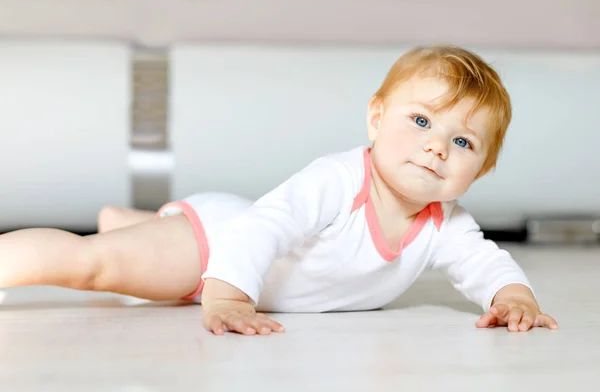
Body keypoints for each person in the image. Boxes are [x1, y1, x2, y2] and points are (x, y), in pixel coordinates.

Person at [0, 44, 558, 336]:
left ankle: (129, 221)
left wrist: (512, 300)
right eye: (420, 122)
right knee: (92, 267)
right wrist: (226, 296)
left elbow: (488, 265)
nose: (437, 147)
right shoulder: (341, 180)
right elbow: (262, 228)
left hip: (243, 247)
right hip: (218, 247)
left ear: (481, 169)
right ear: (375, 118)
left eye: (462, 142)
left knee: (136, 254)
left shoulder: (445, 222)